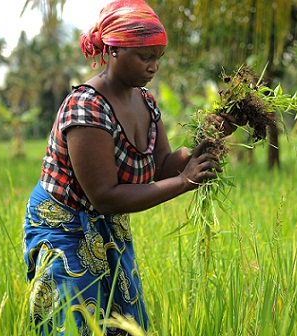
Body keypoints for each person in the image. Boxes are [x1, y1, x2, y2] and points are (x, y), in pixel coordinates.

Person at [22, 0, 240, 335]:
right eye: (145, 56)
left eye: (158, 57)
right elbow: (105, 196)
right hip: (65, 228)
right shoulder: (87, 108)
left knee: (121, 322)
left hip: (109, 228)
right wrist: (185, 182)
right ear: (113, 51)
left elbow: (162, 166)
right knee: (75, 323)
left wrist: (211, 137)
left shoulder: (146, 102)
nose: (154, 67)